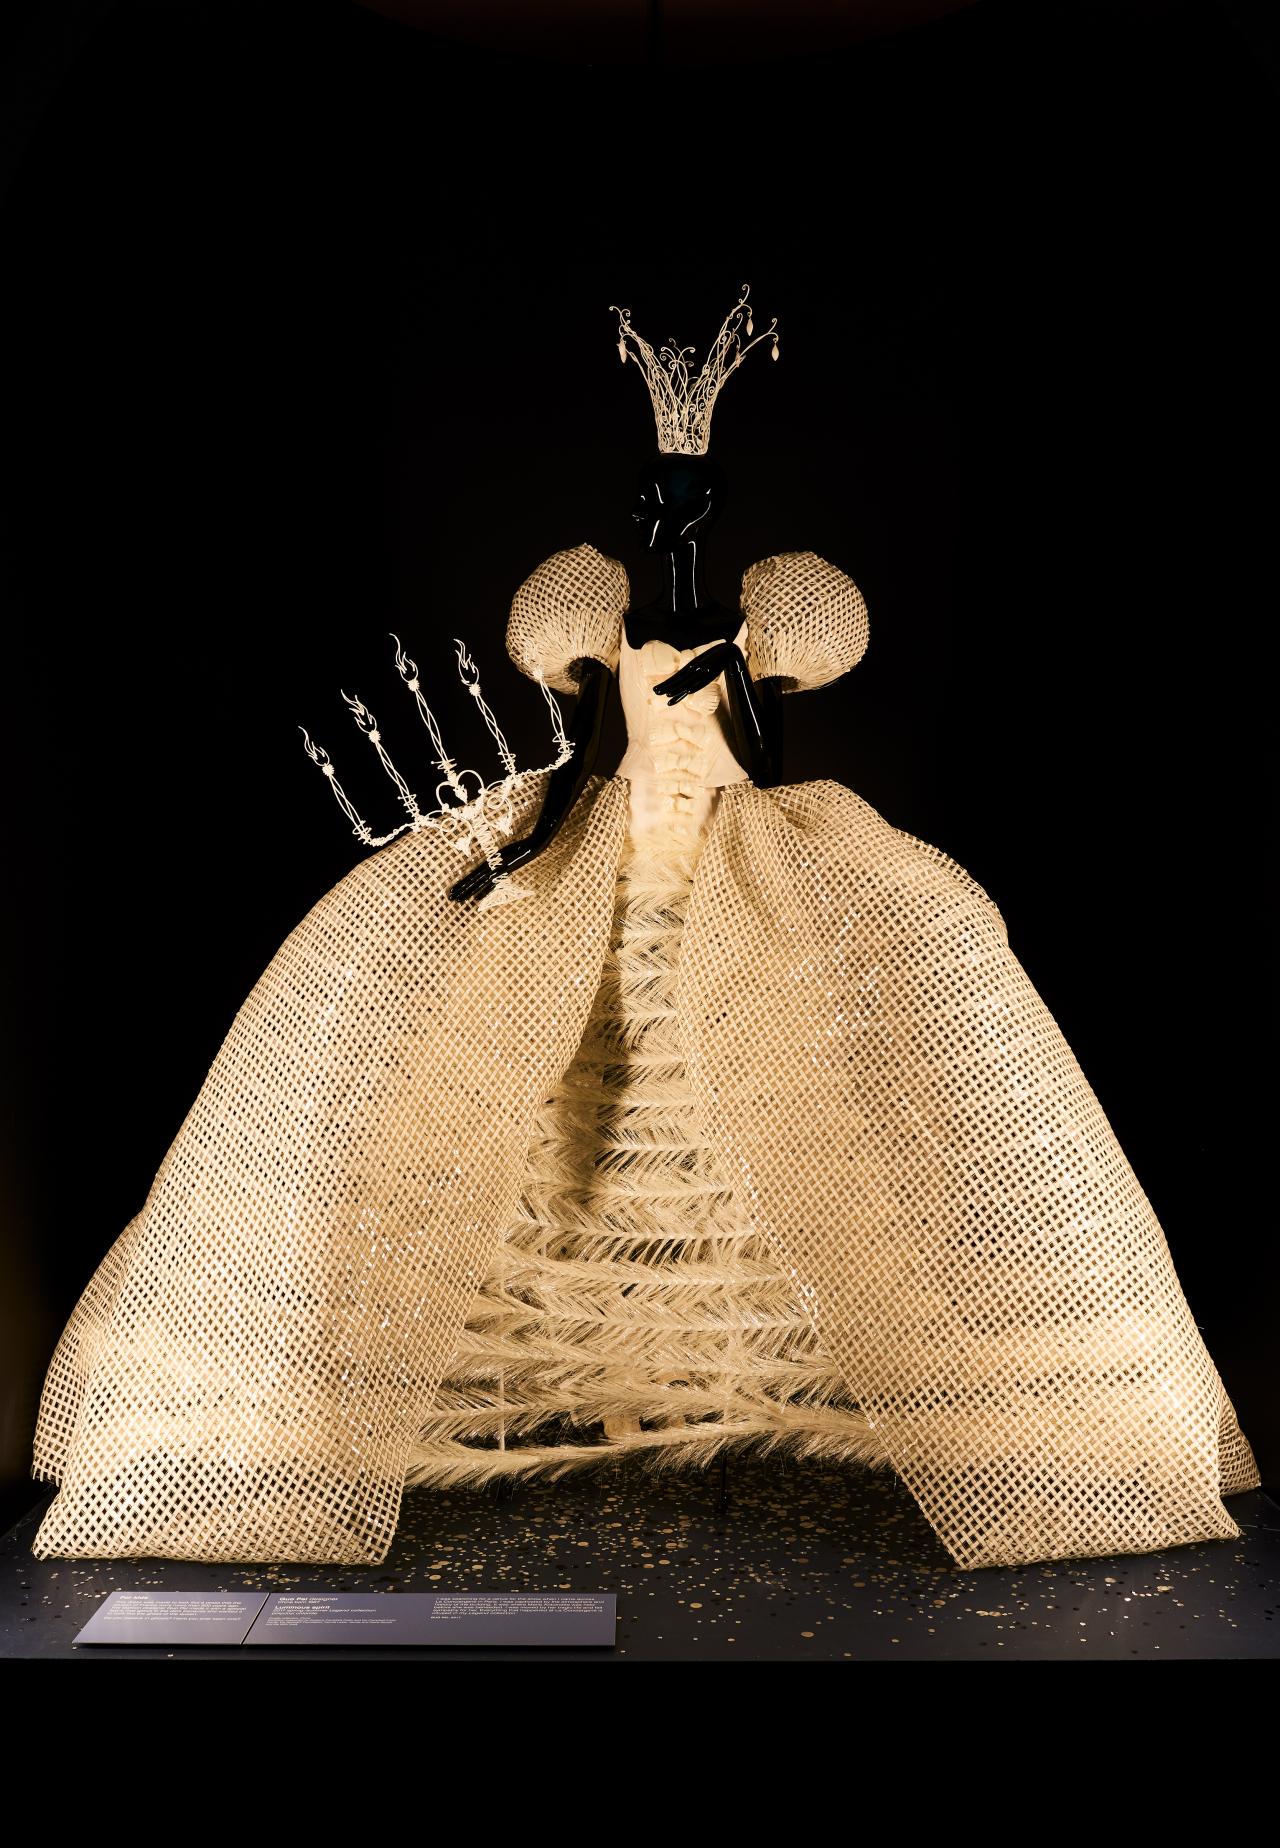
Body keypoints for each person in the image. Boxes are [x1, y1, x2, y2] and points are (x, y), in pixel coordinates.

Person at [29, 288, 1259, 1572]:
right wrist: (516, 850)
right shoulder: (605, 631)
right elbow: (579, 757)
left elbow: (763, 756)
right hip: (611, 842)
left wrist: (730, 711)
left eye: (683, 508)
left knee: (769, 1071)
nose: (667, 524)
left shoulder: (743, 640)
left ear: (706, 522)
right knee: (561, 1085)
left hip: (730, 845)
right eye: (656, 507)